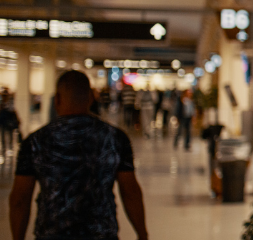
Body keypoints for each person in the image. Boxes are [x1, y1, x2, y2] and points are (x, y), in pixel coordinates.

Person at [9, 71, 148, 240]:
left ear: (57, 99)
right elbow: (130, 191)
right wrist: (142, 233)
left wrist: (17, 237)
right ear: (91, 98)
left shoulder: (36, 141)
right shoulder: (115, 138)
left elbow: (20, 198)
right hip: (101, 234)